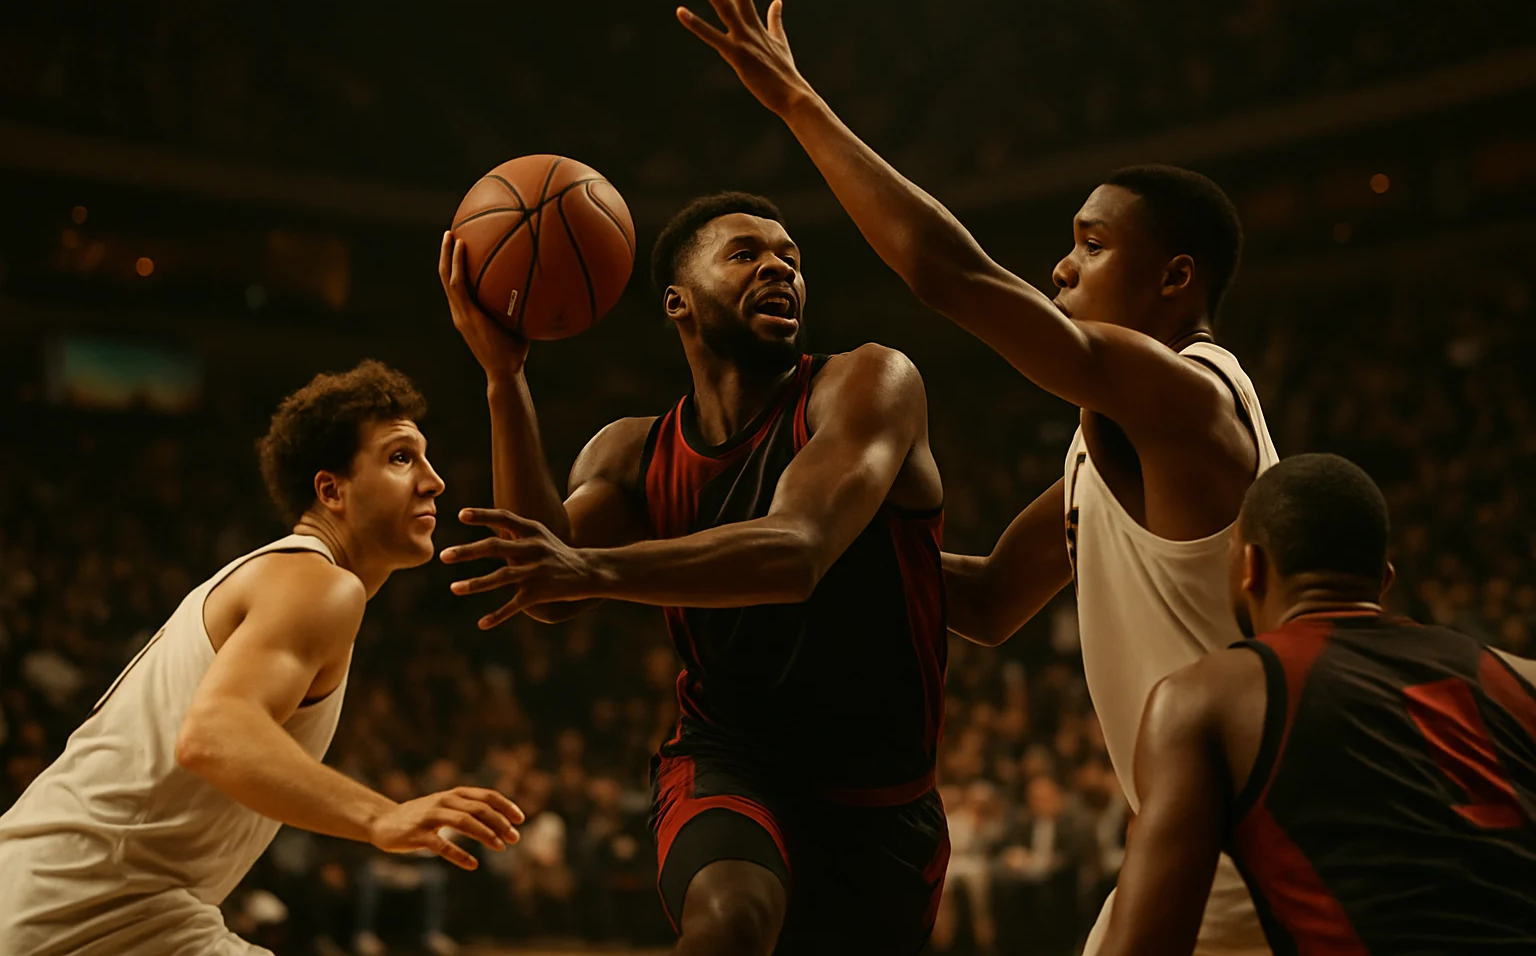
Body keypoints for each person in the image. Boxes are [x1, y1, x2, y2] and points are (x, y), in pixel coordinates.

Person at [678, 0, 1277, 953]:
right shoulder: (1118, 448)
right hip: (1199, 838)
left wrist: (797, 103)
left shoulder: (1192, 398)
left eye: (1091, 243)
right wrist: (800, 545)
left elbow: (950, 276)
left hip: (1245, 841)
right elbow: (995, 598)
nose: (1061, 261)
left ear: (1176, 279)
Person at [436, 185, 950, 956]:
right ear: (679, 302)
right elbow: (543, 585)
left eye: (791, 258)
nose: (779, 267)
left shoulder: (868, 382)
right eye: (746, 254)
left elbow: (797, 551)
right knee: (729, 925)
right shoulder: (631, 450)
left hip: (882, 798)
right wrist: (505, 380)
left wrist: (592, 568)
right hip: (728, 758)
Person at [0, 361, 523, 956]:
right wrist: (381, 816)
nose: (434, 481)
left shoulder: (286, 576)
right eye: (401, 457)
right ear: (332, 490)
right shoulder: (318, 582)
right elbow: (214, 735)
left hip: (106, 903)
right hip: (80, 906)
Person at [1096, 453, 1536, 955]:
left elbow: (1141, 948)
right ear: (1384, 579)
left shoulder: (1206, 698)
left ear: (1250, 566)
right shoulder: (1522, 677)